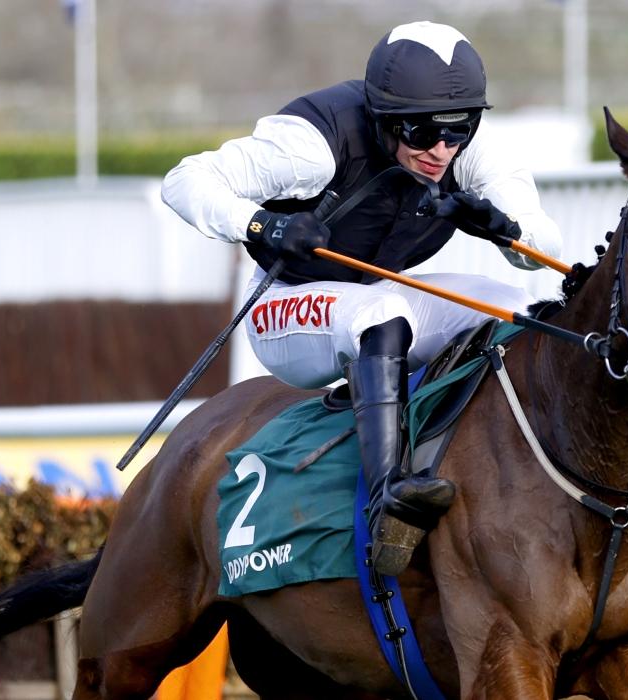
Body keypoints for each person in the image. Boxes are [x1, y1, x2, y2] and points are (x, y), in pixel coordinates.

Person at [162, 20, 561, 575]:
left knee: (515, 307)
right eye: (421, 132)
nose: (441, 150)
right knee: (382, 312)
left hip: (373, 295)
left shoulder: (470, 152)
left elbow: (544, 247)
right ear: (384, 119)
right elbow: (185, 179)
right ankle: (388, 501)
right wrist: (263, 225)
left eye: (459, 130)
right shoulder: (311, 146)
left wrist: (505, 228)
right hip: (286, 305)